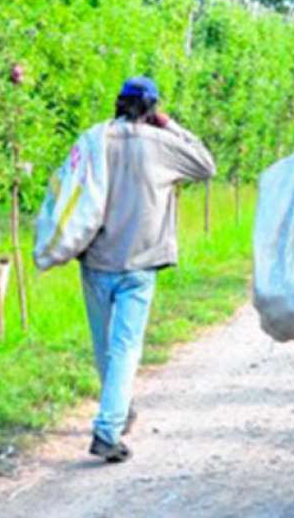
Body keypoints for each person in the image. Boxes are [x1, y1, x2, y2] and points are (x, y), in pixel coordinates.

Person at [80, 76, 216, 463]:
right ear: (151, 109)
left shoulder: (94, 139)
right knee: (125, 347)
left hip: (95, 258)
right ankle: (107, 429)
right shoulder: (161, 144)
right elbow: (207, 165)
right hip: (140, 261)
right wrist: (170, 125)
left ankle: (118, 410)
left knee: (105, 347)